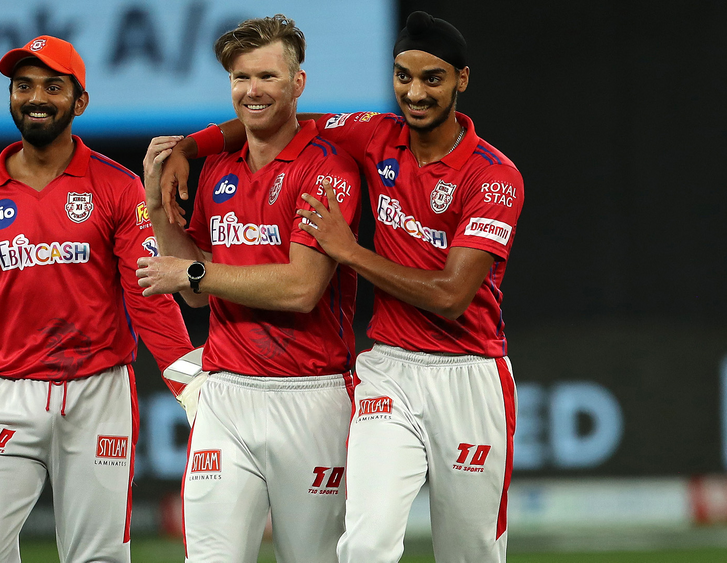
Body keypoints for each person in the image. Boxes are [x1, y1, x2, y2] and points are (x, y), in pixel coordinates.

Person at [160, 11, 524, 563]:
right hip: (390, 370)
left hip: (470, 373)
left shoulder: (494, 177)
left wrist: (350, 252)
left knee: (470, 553)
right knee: (365, 546)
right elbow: (281, 117)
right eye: (403, 76)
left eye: (432, 79)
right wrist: (188, 148)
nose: (415, 93)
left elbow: (452, 297)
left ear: (462, 80)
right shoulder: (375, 135)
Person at [0, 35, 196, 563]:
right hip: (6, 396)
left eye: (52, 87)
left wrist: (188, 381)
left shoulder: (117, 186)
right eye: (23, 86)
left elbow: (147, 291)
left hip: (98, 394)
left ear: (79, 101)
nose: (36, 98)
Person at [134, 14, 362, 563]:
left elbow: (301, 288)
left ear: (298, 83)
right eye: (241, 78)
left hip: (312, 396)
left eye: (267, 76)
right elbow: (194, 291)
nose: (252, 91)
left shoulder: (327, 168)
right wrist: (159, 209)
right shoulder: (217, 169)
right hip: (226, 395)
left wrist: (195, 273)